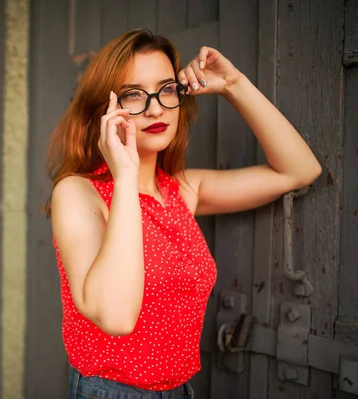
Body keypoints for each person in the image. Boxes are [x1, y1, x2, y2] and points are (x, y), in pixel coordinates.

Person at [46, 28, 321, 398]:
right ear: (105, 111)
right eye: (133, 94)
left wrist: (233, 85)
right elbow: (115, 317)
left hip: (181, 391)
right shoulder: (79, 193)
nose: (156, 107)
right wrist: (125, 175)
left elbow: (299, 170)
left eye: (167, 89)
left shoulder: (181, 191)